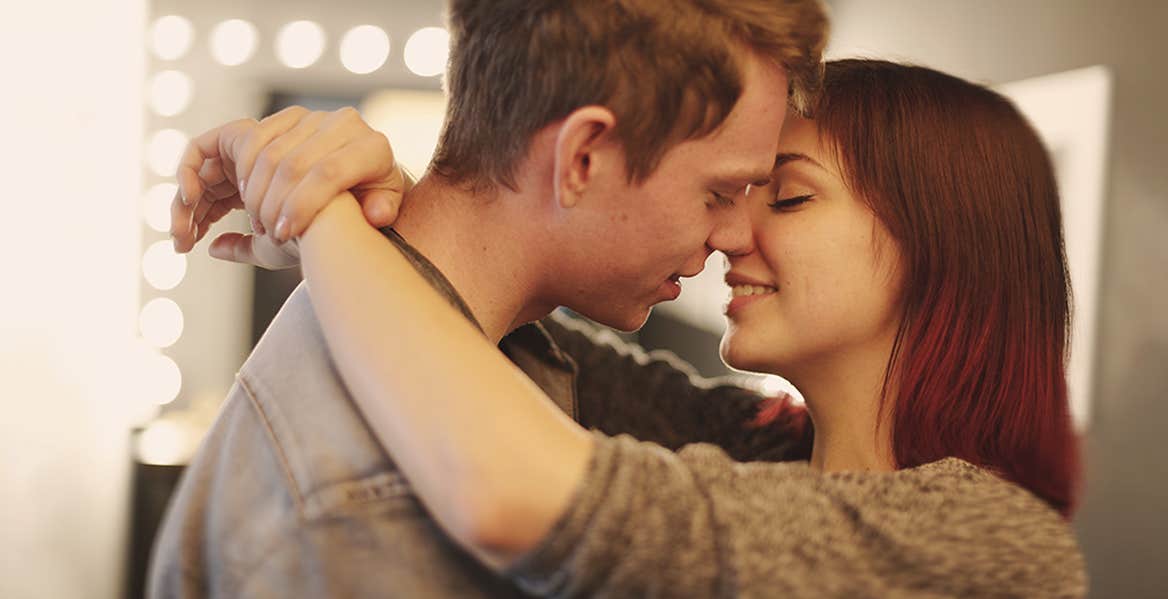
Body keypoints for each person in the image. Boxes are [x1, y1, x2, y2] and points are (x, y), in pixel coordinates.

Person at [220, 59, 1090, 596]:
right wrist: (351, 186)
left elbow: (525, 489)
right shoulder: (744, 441)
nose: (728, 236)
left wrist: (323, 218)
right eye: (728, 195)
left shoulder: (995, 547)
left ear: (942, 244)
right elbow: (479, 301)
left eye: (784, 196)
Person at [148, 1, 829, 597]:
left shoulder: (491, 354)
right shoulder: (371, 515)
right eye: (716, 193)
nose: (736, 233)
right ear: (582, 158)